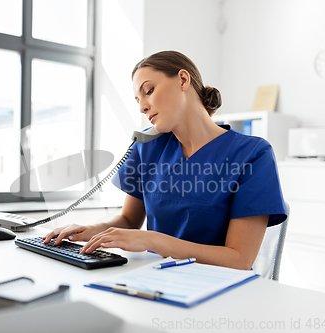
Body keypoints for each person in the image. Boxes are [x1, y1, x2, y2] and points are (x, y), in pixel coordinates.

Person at [43, 50, 287, 270]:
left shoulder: (253, 154)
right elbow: (129, 220)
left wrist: (153, 240)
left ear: (183, 79)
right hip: (154, 279)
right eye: (137, 100)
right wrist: (95, 230)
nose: (142, 108)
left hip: (218, 288)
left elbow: (240, 259)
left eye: (148, 91)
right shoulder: (147, 148)